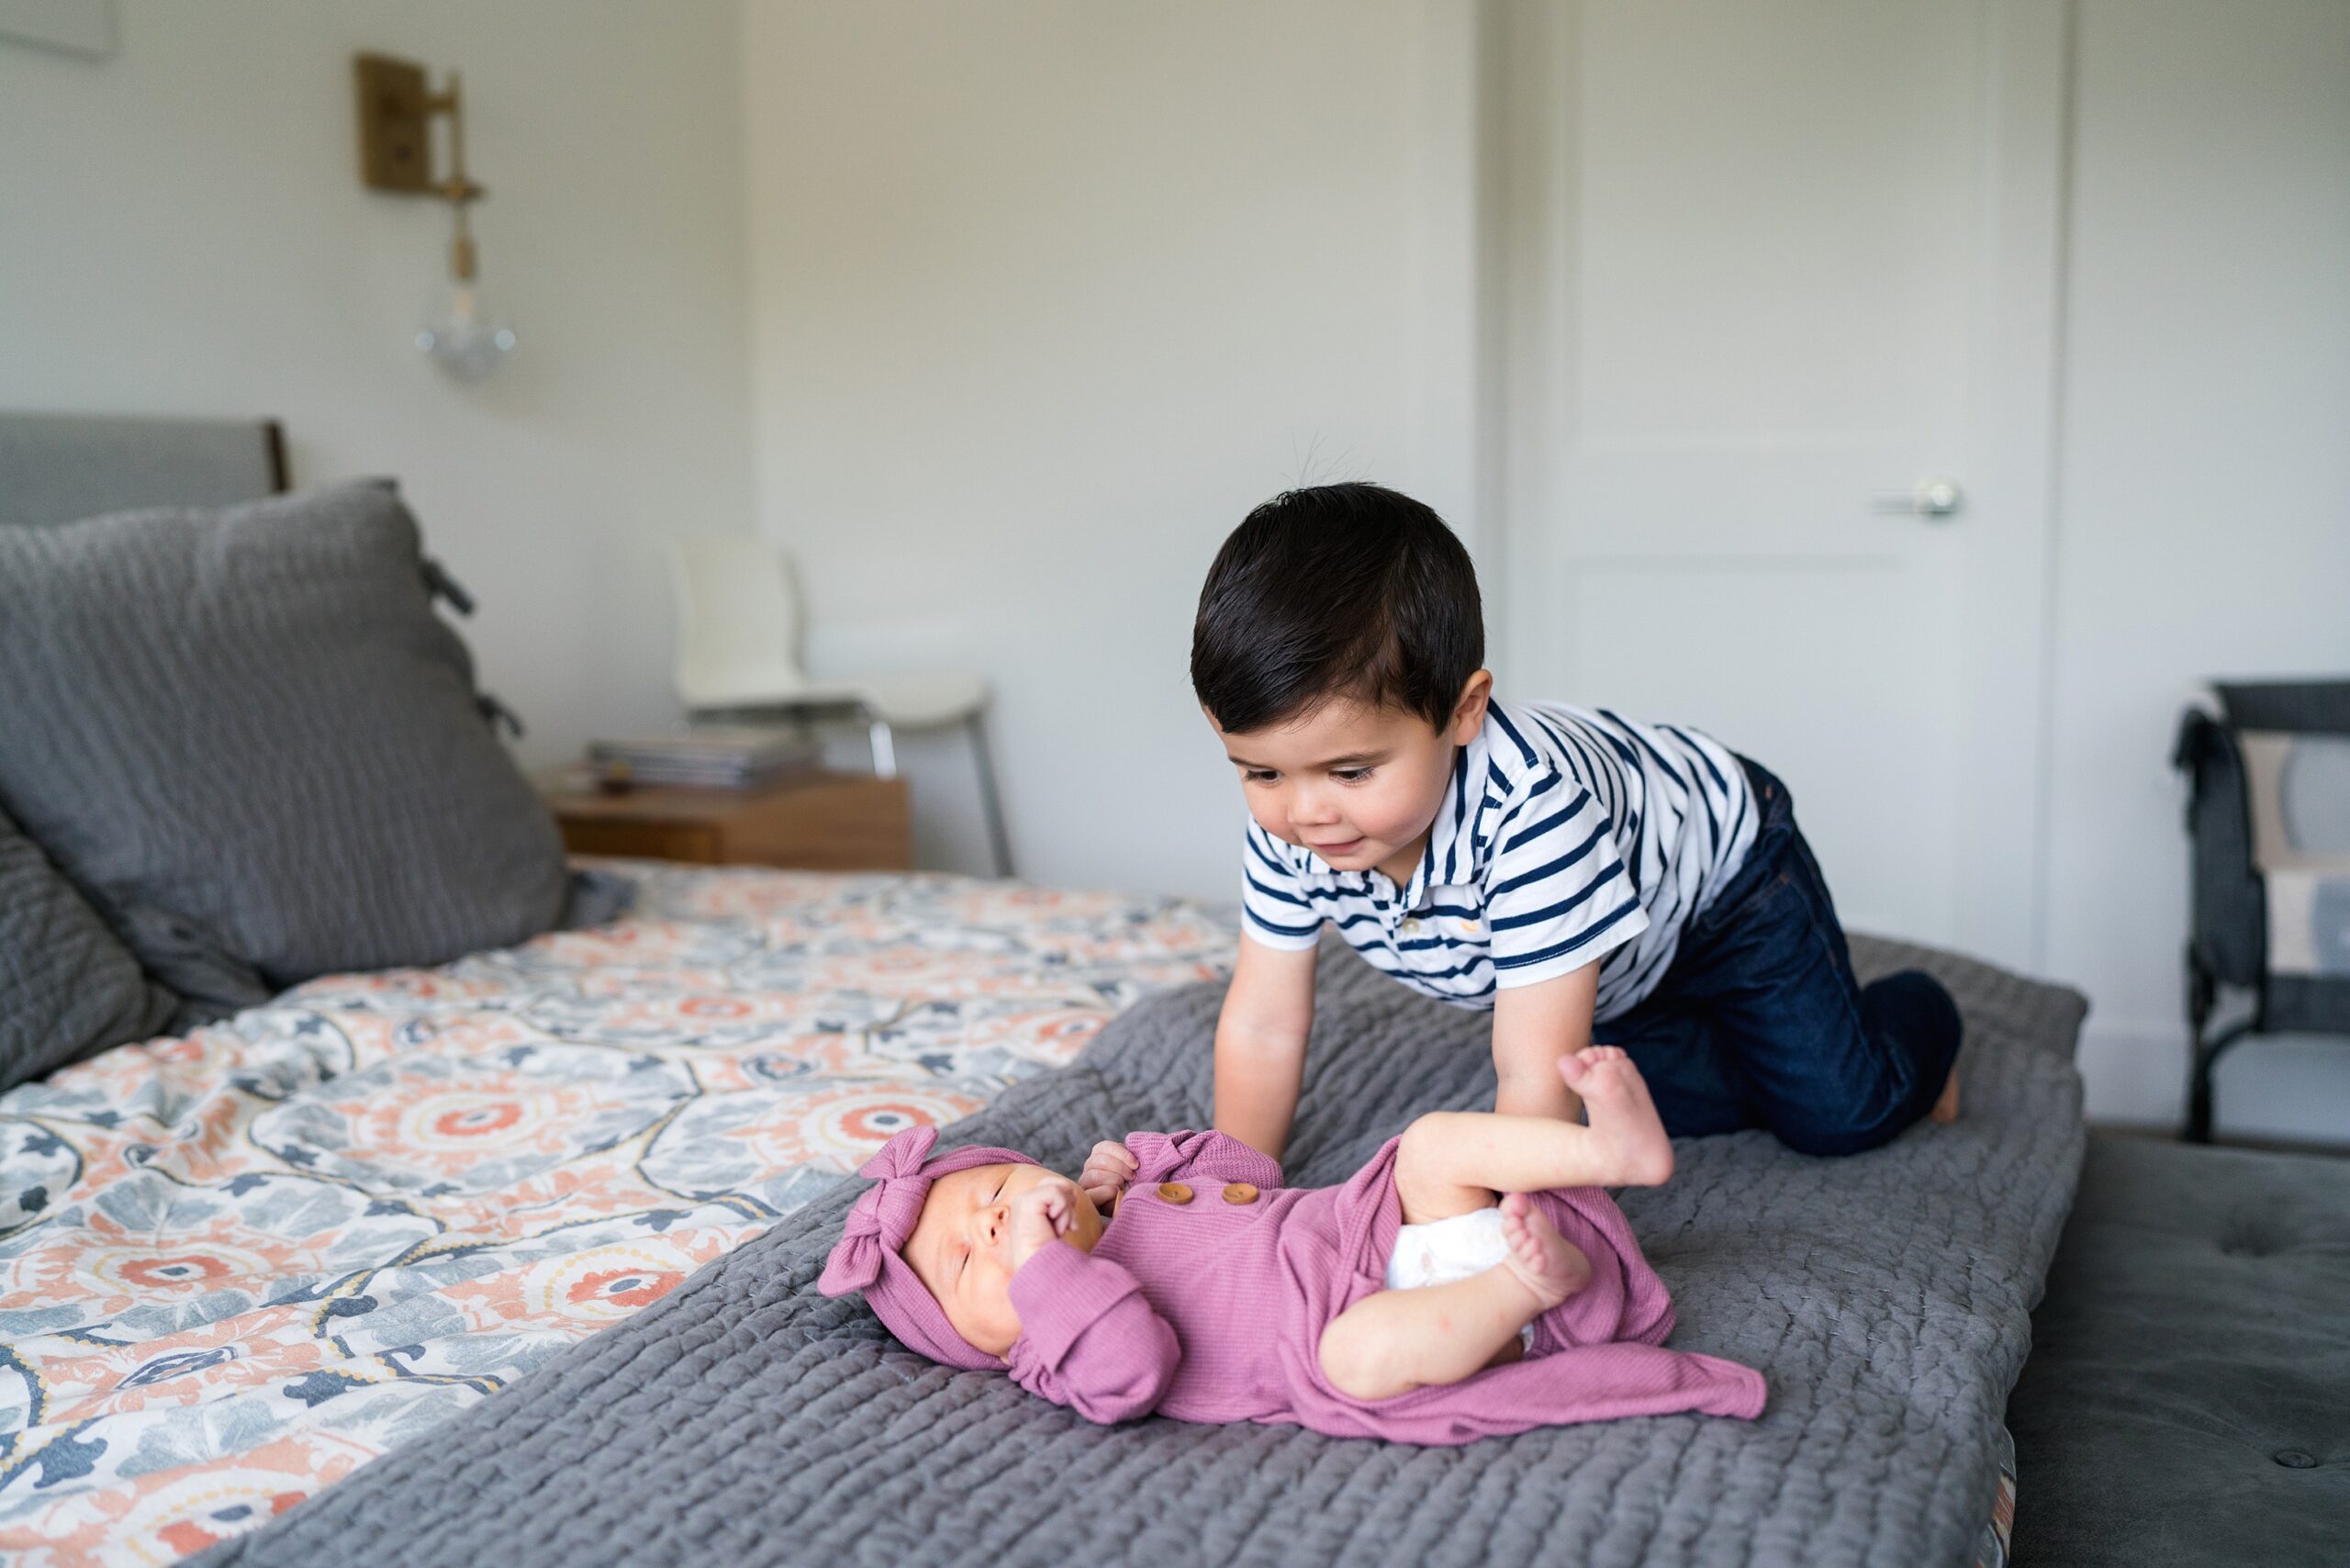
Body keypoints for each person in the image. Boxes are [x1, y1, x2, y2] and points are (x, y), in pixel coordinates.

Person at [1192, 482, 1961, 1160]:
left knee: (1838, 1113)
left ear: (1464, 711)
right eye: (1261, 773)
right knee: (1609, 1094)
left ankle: (1915, 1013)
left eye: (1353, 772)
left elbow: (1529, 1078)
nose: (1306, 812)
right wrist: (1236, 1180)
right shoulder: (1290, 828)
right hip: (1627, 958)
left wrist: (1494, 1246)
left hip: (1727, 886)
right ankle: (1737, 1036)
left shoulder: (1532, 818)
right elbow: (1263, 1020)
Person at [818, 1049, 1764, 1442]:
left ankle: (1611, 1149)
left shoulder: (1139, 1192)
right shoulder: (1056, 1347)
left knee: (1428, 1143)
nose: (994, 1228)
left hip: (1367, 1229)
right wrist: (1047, 1271)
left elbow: (1255, 1169)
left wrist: (1147, 1159)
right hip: (1379, 1324)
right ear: (983, 1342)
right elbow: (1136, 1369)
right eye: (966, 1264)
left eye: (992, 1194)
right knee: (1353, 1357)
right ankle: (1527, 1285)